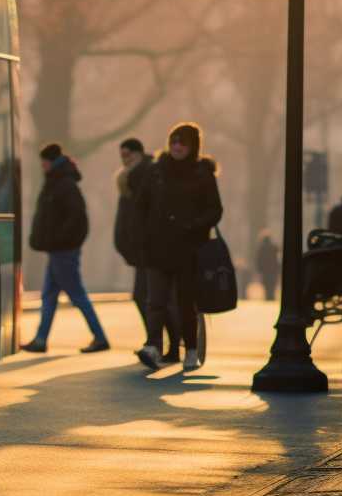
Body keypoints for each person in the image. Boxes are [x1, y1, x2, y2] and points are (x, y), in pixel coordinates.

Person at [135, 123, 223, 372]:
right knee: (156, 300)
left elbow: (214, 210)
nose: (177, 147)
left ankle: (191, 349)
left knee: (186, 302)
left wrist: (193, 225)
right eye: (173, 142)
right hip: (157, 247)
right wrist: (142, 238)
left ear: (193, 145)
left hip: (189, 249)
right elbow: (140, 207)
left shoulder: (202, 174)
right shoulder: (155, 172)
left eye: (182, 143)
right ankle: (153, 345)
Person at [22, 143, 109, 353]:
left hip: (63, 250)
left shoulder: (64, 185)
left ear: (49, 161)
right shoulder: (59, 182)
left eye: (43, 162)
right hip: (58, 250)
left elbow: (76, 218)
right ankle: (41, 339)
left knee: (77, 295)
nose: (41, 166)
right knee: (49, 296)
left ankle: (100, 337)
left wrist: (59, 240)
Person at [115, 138, 179, 362]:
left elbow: (142, 214)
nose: (126, 159)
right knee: (151, 298)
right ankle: (162, 342)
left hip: (151, 247)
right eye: (123, 155)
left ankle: (157, 343)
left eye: (130, 154)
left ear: (140, 154)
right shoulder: (127, 177)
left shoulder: (146, 174)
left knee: (150, 297)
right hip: (140, 249)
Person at [255, 230, 279, 302]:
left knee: (266, 284)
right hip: (273, 270)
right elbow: (278, 259)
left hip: (265, 270)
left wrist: (259, 269)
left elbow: (259, 259)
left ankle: (268, 296)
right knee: (272, 283)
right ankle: (271, 296)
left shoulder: (261, 248)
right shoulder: (274, 247)